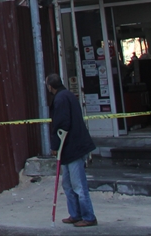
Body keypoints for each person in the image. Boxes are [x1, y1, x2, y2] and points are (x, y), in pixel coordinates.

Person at [47, 74, 97, 228]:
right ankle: (75, 214)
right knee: (68, 184)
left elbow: (61, 124)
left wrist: (55, 145)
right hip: (69, 148)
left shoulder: (61, 99)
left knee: (78, 185)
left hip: (72, 146)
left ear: (50, 86)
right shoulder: (67, 95)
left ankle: (88, 216)